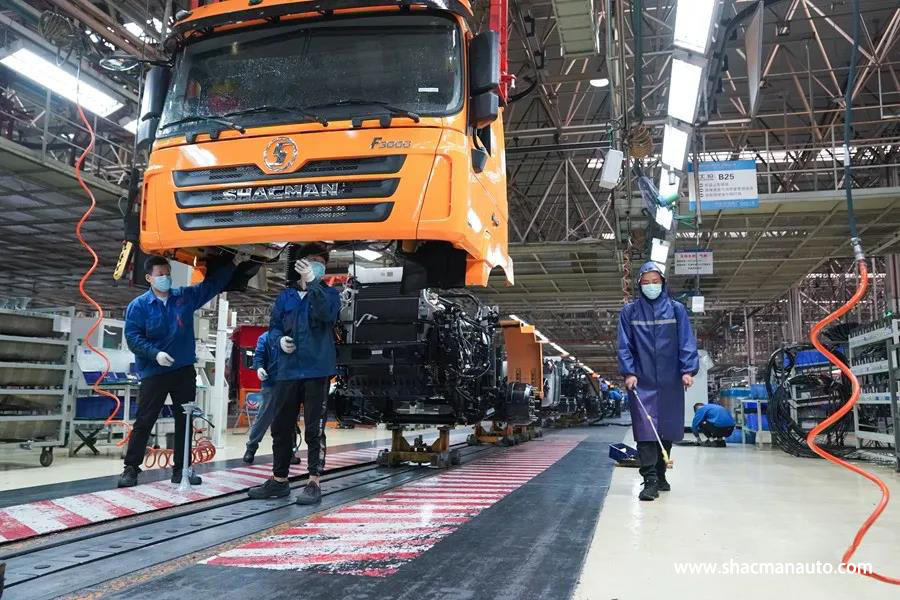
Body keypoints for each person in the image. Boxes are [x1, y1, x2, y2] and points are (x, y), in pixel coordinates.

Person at [120, 253, 247, 487]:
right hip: (154, 372)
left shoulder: (183, 297)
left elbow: (211, 286)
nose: (166, 278)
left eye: (168, 274)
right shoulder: (138, 306)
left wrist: (234, 263)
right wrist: (155, 354)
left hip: (183, 371)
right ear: (149, 278)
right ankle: (131, 468)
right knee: (145, 420)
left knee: (184, 420)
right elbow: (133, 338)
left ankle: (182, 470)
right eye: (160, 275)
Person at [248, 243, 341, 505]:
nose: (316, 265)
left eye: (320, 261)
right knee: (281, 427)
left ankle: (314, 482)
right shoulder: (285, 297)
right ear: (299, 264)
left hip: (317, 370)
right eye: (311, 260)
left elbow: (327, 315)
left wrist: (313, 283)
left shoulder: (330, 294)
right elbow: (274, 327)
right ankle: (279, 480)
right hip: (287, 370)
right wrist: (278, 341)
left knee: (314, 428)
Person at [617, 261, 699, 502]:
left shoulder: (676, 310)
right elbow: (624, 345)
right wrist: (629, 372)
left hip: (670, 380)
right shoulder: (629, 313)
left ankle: (661, 473)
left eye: (655, 282)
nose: (651, 286)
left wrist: (687, 370)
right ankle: (650, 480)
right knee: (645, 431)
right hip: (641, 380)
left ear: (662, 283)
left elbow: (686, 341)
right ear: (639, 285)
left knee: (666, 429)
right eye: (646, 282)